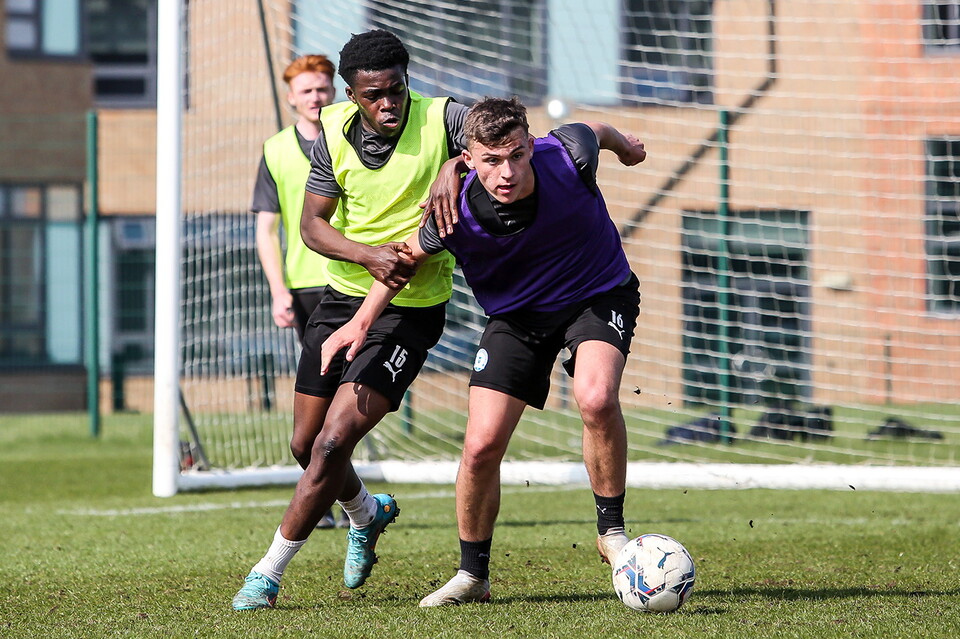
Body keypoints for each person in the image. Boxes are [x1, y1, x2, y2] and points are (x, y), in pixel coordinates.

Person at [319, 96, 647, 606]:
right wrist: (360, 323)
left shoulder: (567, 154)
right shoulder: (455, 210)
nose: (508, 171)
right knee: (479, 446)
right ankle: (473, 575)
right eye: (492, 160)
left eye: (517, 154)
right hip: (516, 319)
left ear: (530, 145)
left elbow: (596, 129)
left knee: (596, 396)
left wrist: (626, 147)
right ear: (469, 160)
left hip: (597, 295)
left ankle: (612, 533)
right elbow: (405, 260)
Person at [232, 29, 469, 611]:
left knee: (335, 439)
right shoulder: (334, 130)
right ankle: (366, 513)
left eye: (394, 90)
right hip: (339, 298)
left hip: (411, 309)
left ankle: (267, 574)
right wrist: (366, 255)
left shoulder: (446, 118)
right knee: (305, 441)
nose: (386, 104)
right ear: (351, 93)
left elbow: (516, 144)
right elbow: (312, 226)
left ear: (406, 78)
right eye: (372, 95)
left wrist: (457, 164)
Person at [250, 53, 345, 530]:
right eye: (306, 90)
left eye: (323, 88)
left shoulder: (354, 140)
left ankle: (337, 493)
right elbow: (266, 229)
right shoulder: (274, 150)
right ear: (291, 98)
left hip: (351, 283)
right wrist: (277, 290)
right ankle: (329, 497)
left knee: (349, 394)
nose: (316, 96)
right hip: (306, 288)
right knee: (317, 397)